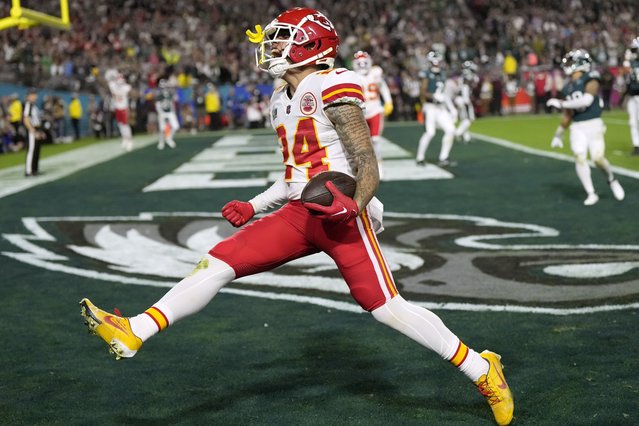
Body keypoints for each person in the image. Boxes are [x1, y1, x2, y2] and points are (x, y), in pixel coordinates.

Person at [80, 7, 513, 425]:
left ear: (311, 46)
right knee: (218, 261)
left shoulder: (332, 84)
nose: (271, 47)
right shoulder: (278, 99)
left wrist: (354, 206)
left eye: (281, 39)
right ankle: (136, 329)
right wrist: (254, 204)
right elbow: (295, 179)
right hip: (299, 212)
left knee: (384, 307)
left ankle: (481, 369)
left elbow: (366, 161)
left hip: (341, 215)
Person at [546, 49, 625, 206]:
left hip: (593, 124)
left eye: (570, 62)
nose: (567, 66)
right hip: (578, 126)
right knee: (579, 156)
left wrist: (562, 103)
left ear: (580, 63)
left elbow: (587, 100)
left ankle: (611, 179)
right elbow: (568, 114)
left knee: (598, 159)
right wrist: (558, 134)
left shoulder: (591, 78)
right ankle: (591, 193)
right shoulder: (568, 86)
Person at [352, 50, 393, 178]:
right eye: (360, 63)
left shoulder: (375, 73)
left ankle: (379, 167)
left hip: (375, 110)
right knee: (359, 142)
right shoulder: (352, 76)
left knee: (375, 140)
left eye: (365, 62)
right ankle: (360, 169)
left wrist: (388, 102)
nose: (363, 65)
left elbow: (383, 87)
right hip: (361, 112)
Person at [416, 50, 458, 167]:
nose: (436, 64)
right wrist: (433, 96)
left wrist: (452, 108)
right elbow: (422, 92)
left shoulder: (443, 74)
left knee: (451, 130)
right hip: (429, 107)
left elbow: (445, 95)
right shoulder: (426, 74)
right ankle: (420, 157)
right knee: (430, 132)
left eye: (438, 62)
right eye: (434, 62)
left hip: (441, 107)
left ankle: (443, 157)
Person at [105, 69, 134, 151]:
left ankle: (130, 140)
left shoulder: (126, 87)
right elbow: (108, 82)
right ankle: (124, 138)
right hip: (117, 108)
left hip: (124, 108)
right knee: (120, 124)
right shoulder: (114, 85)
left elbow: (130, 90)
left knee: (125, 125)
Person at [621, 37, 639, 155]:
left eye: (634, 50)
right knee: (632, 121)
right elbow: (627, 80)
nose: (633, 52)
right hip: (632, 96)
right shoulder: (631, 63)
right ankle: (637, 145)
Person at [454, 61, 479, 143]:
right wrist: (466, 99)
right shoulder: (467, 75)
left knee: (464, 118)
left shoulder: (462, 75)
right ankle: (457, 133)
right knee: (469, 119)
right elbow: (465, 86)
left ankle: (466, 137)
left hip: (459, 98)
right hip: (463, 98)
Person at [155, 79, 179, 149]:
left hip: (170, 112)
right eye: (162, 87)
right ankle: (161, 142)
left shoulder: (170, 94)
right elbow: (157, 105)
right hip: (162, 112)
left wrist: (173, 111)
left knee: (175, 126)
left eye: (165, 87)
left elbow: (172, 104)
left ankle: (169, 138)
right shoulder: (159, 95)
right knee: (162, 129)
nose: (164, 88)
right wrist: (160, 113)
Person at [23, 89, 43, 177]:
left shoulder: (34, 106)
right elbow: (26, 119)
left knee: (36, 150)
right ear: (29, 96)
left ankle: (34, 169)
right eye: (33, 94)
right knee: (31, 150)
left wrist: (40, 131)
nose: (35, 96)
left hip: (36, 129)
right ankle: (29, 171)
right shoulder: (28, 105)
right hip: (32, 130)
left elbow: (36, 119)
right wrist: (33, 131)